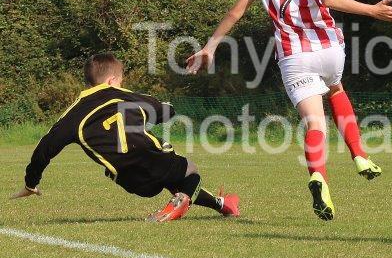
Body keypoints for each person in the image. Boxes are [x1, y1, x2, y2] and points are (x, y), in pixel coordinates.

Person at [186, 0, 392, 220]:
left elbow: (236, 12)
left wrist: (210, 46)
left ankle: (318, 176)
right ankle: (359, 154)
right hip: (329, 49)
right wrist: (372, 10)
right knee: (336, 89)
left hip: (294, 56)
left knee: (315, 123)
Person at [11, 52, 239, 222]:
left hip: (126, 178)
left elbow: (45, 148)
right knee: (190, 169)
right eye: (120, 81)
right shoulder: (123, 95)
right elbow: (165, 110)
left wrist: (31, 183)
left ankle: (222, 205)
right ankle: (181, 203)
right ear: (112, 81)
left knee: (172, 180)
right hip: (150, 156)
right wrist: (166, 109)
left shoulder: (73, 114)